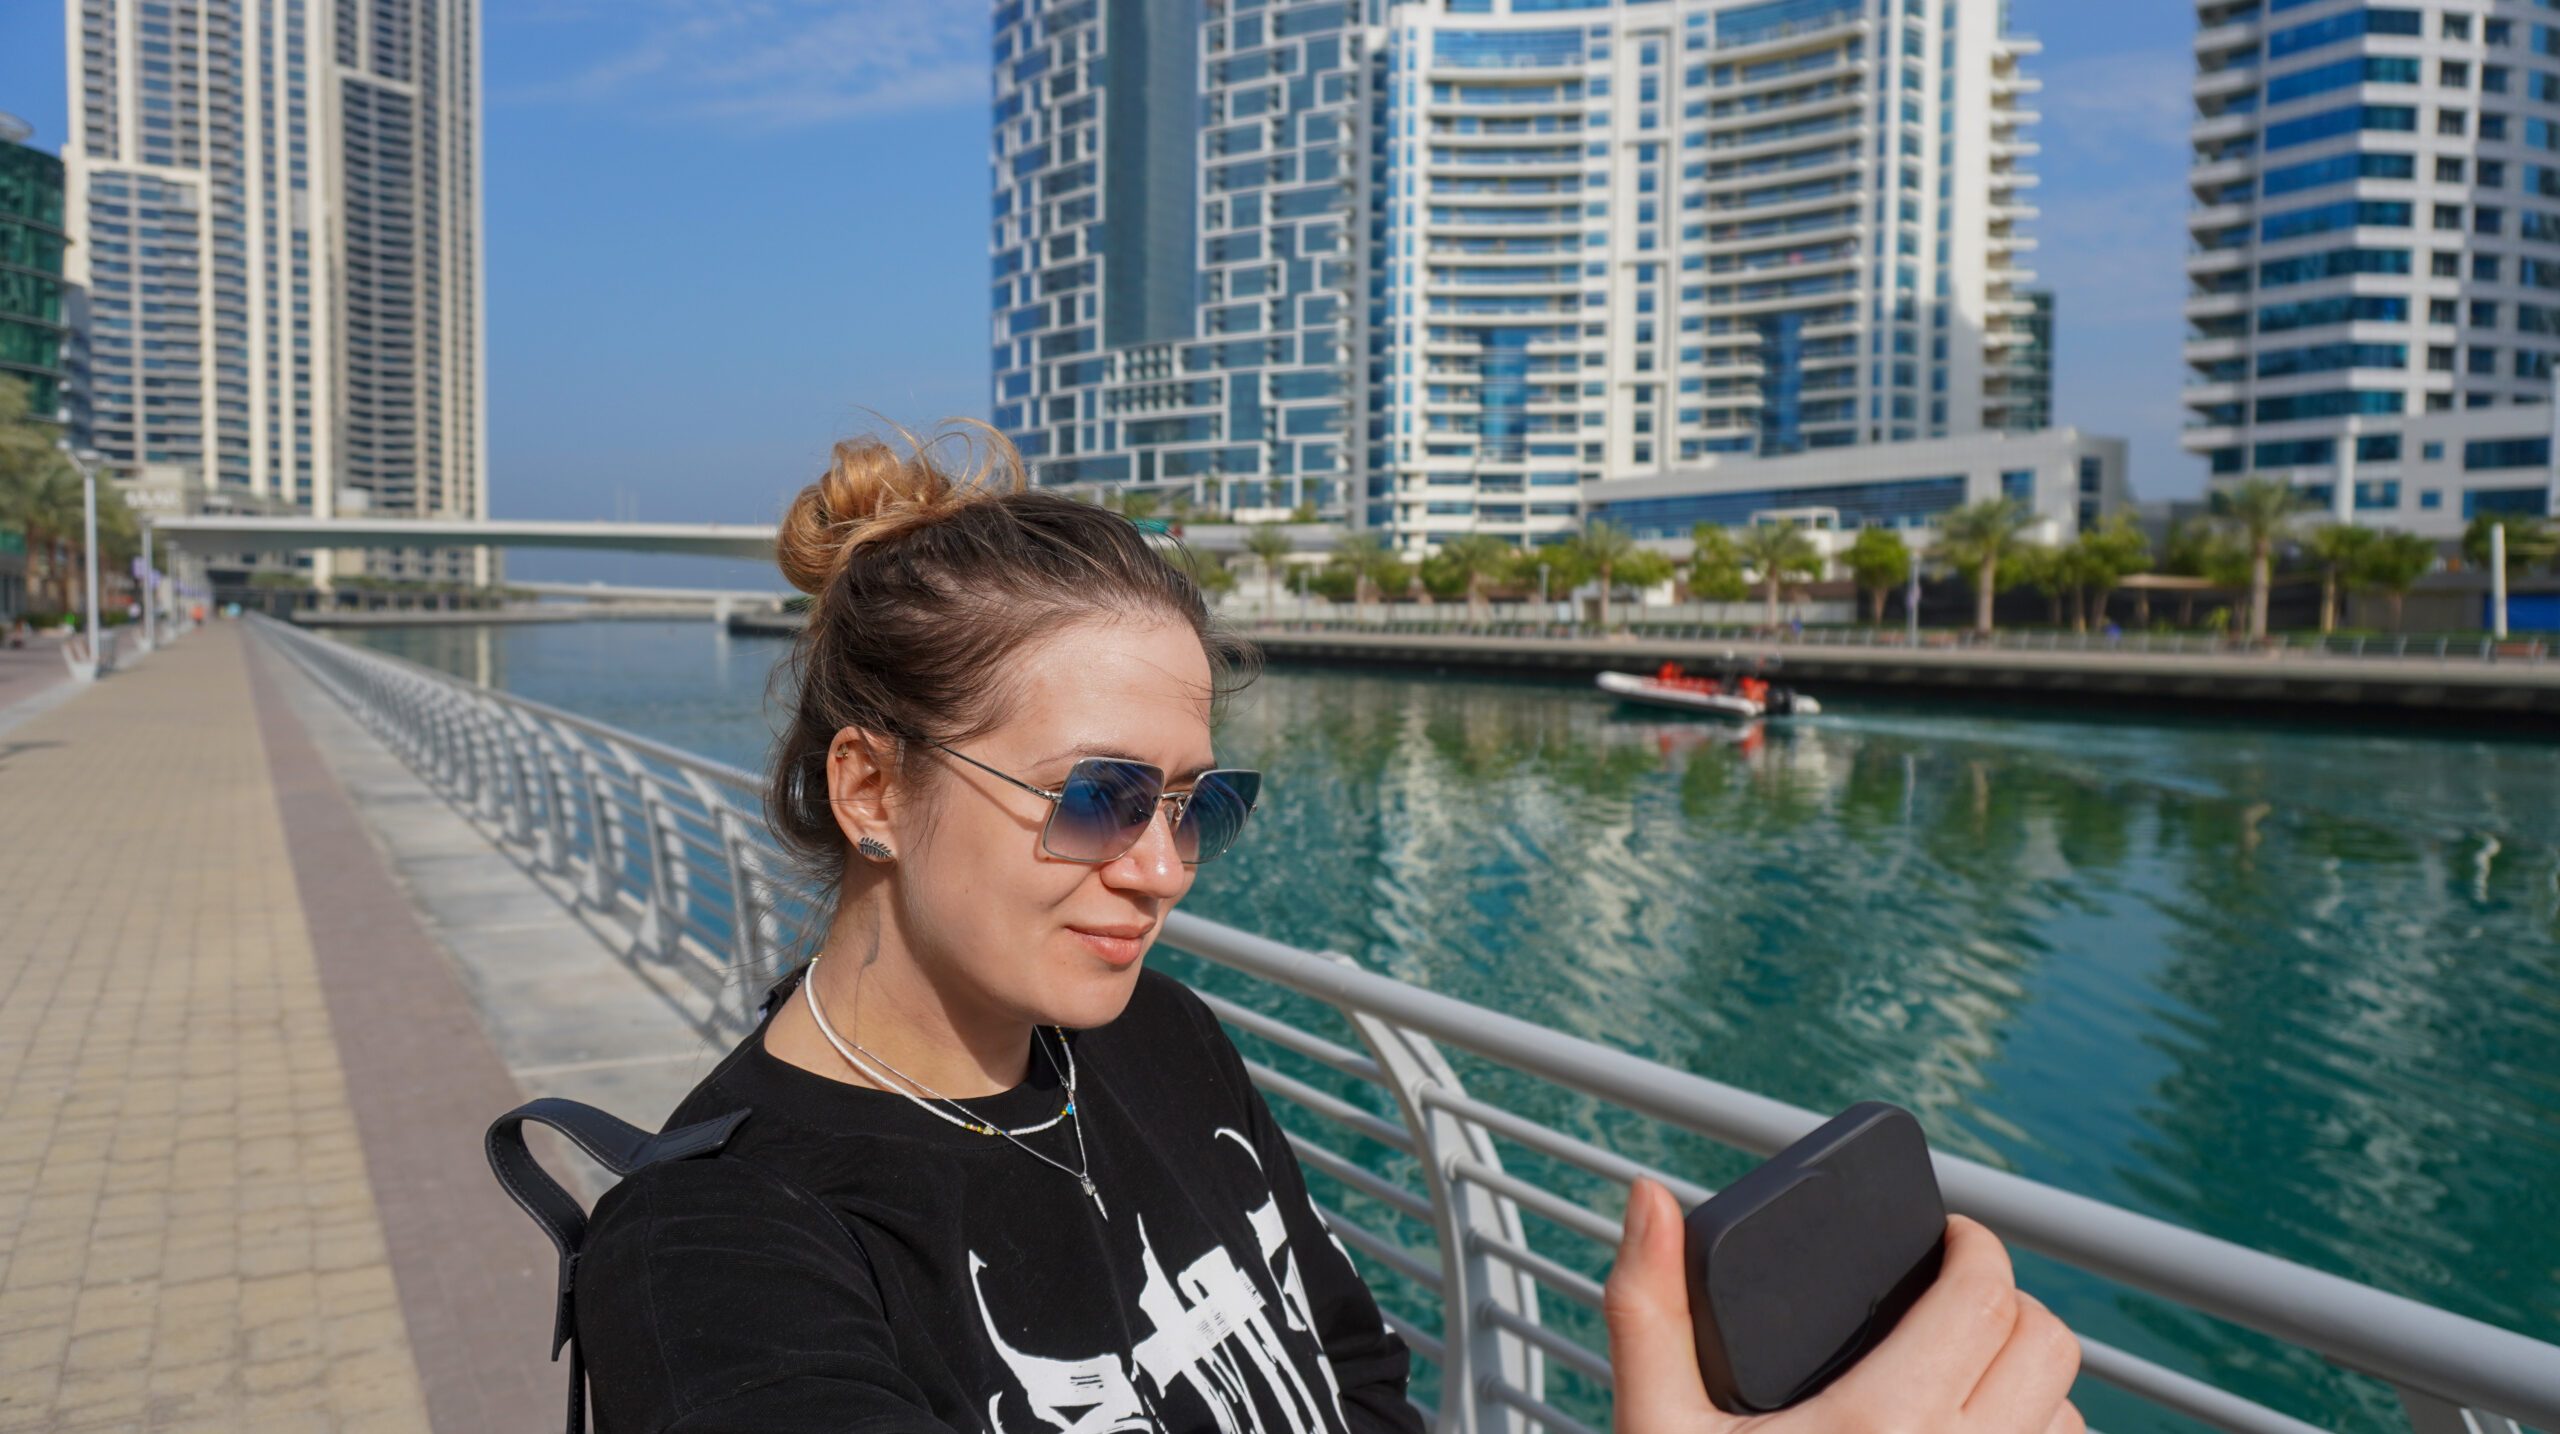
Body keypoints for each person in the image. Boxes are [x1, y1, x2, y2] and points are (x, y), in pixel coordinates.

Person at [575, 421, 2084, 1434]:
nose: (1162, 869)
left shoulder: (1158, 1038)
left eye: (1195, 804)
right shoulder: (718, 1257)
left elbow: (1357, 1389)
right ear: (873, 787)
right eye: (1100, 796)